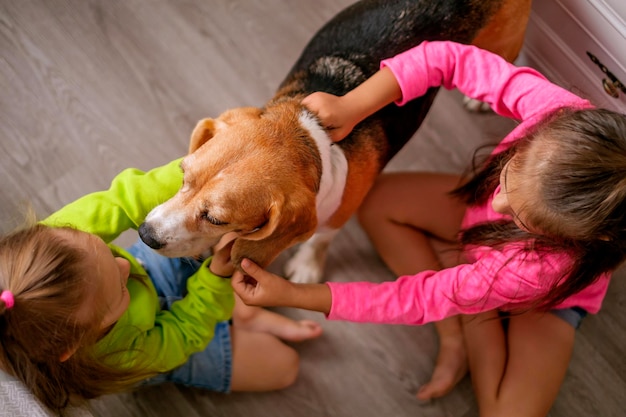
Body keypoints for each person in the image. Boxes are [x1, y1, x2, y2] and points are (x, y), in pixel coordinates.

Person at [232, 40, 626, 416]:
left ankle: (470, 318)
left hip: (543, 299)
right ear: (551, 129)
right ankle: (461, 315)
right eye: (510, 175)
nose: (500, 204)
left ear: (582, 234)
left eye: (527, 218)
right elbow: (447, 59)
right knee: (378, 202)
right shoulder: (558, 112)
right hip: (477, 236)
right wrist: (352, 105)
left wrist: (293, 293)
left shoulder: (540, 270)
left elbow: (414, 300)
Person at [0, 158, 322, 412]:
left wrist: (198, 176)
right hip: (161, 341)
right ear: (78, 341)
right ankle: (233, 311)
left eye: (109, 252)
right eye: (120, 285)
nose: (125, 263)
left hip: (149, 277)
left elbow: (126, 199)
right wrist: (216, 279)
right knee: (284, 367)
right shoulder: (119, 357)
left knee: (222, 223)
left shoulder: (50, 245)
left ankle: (239, 311)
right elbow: (183, 333)